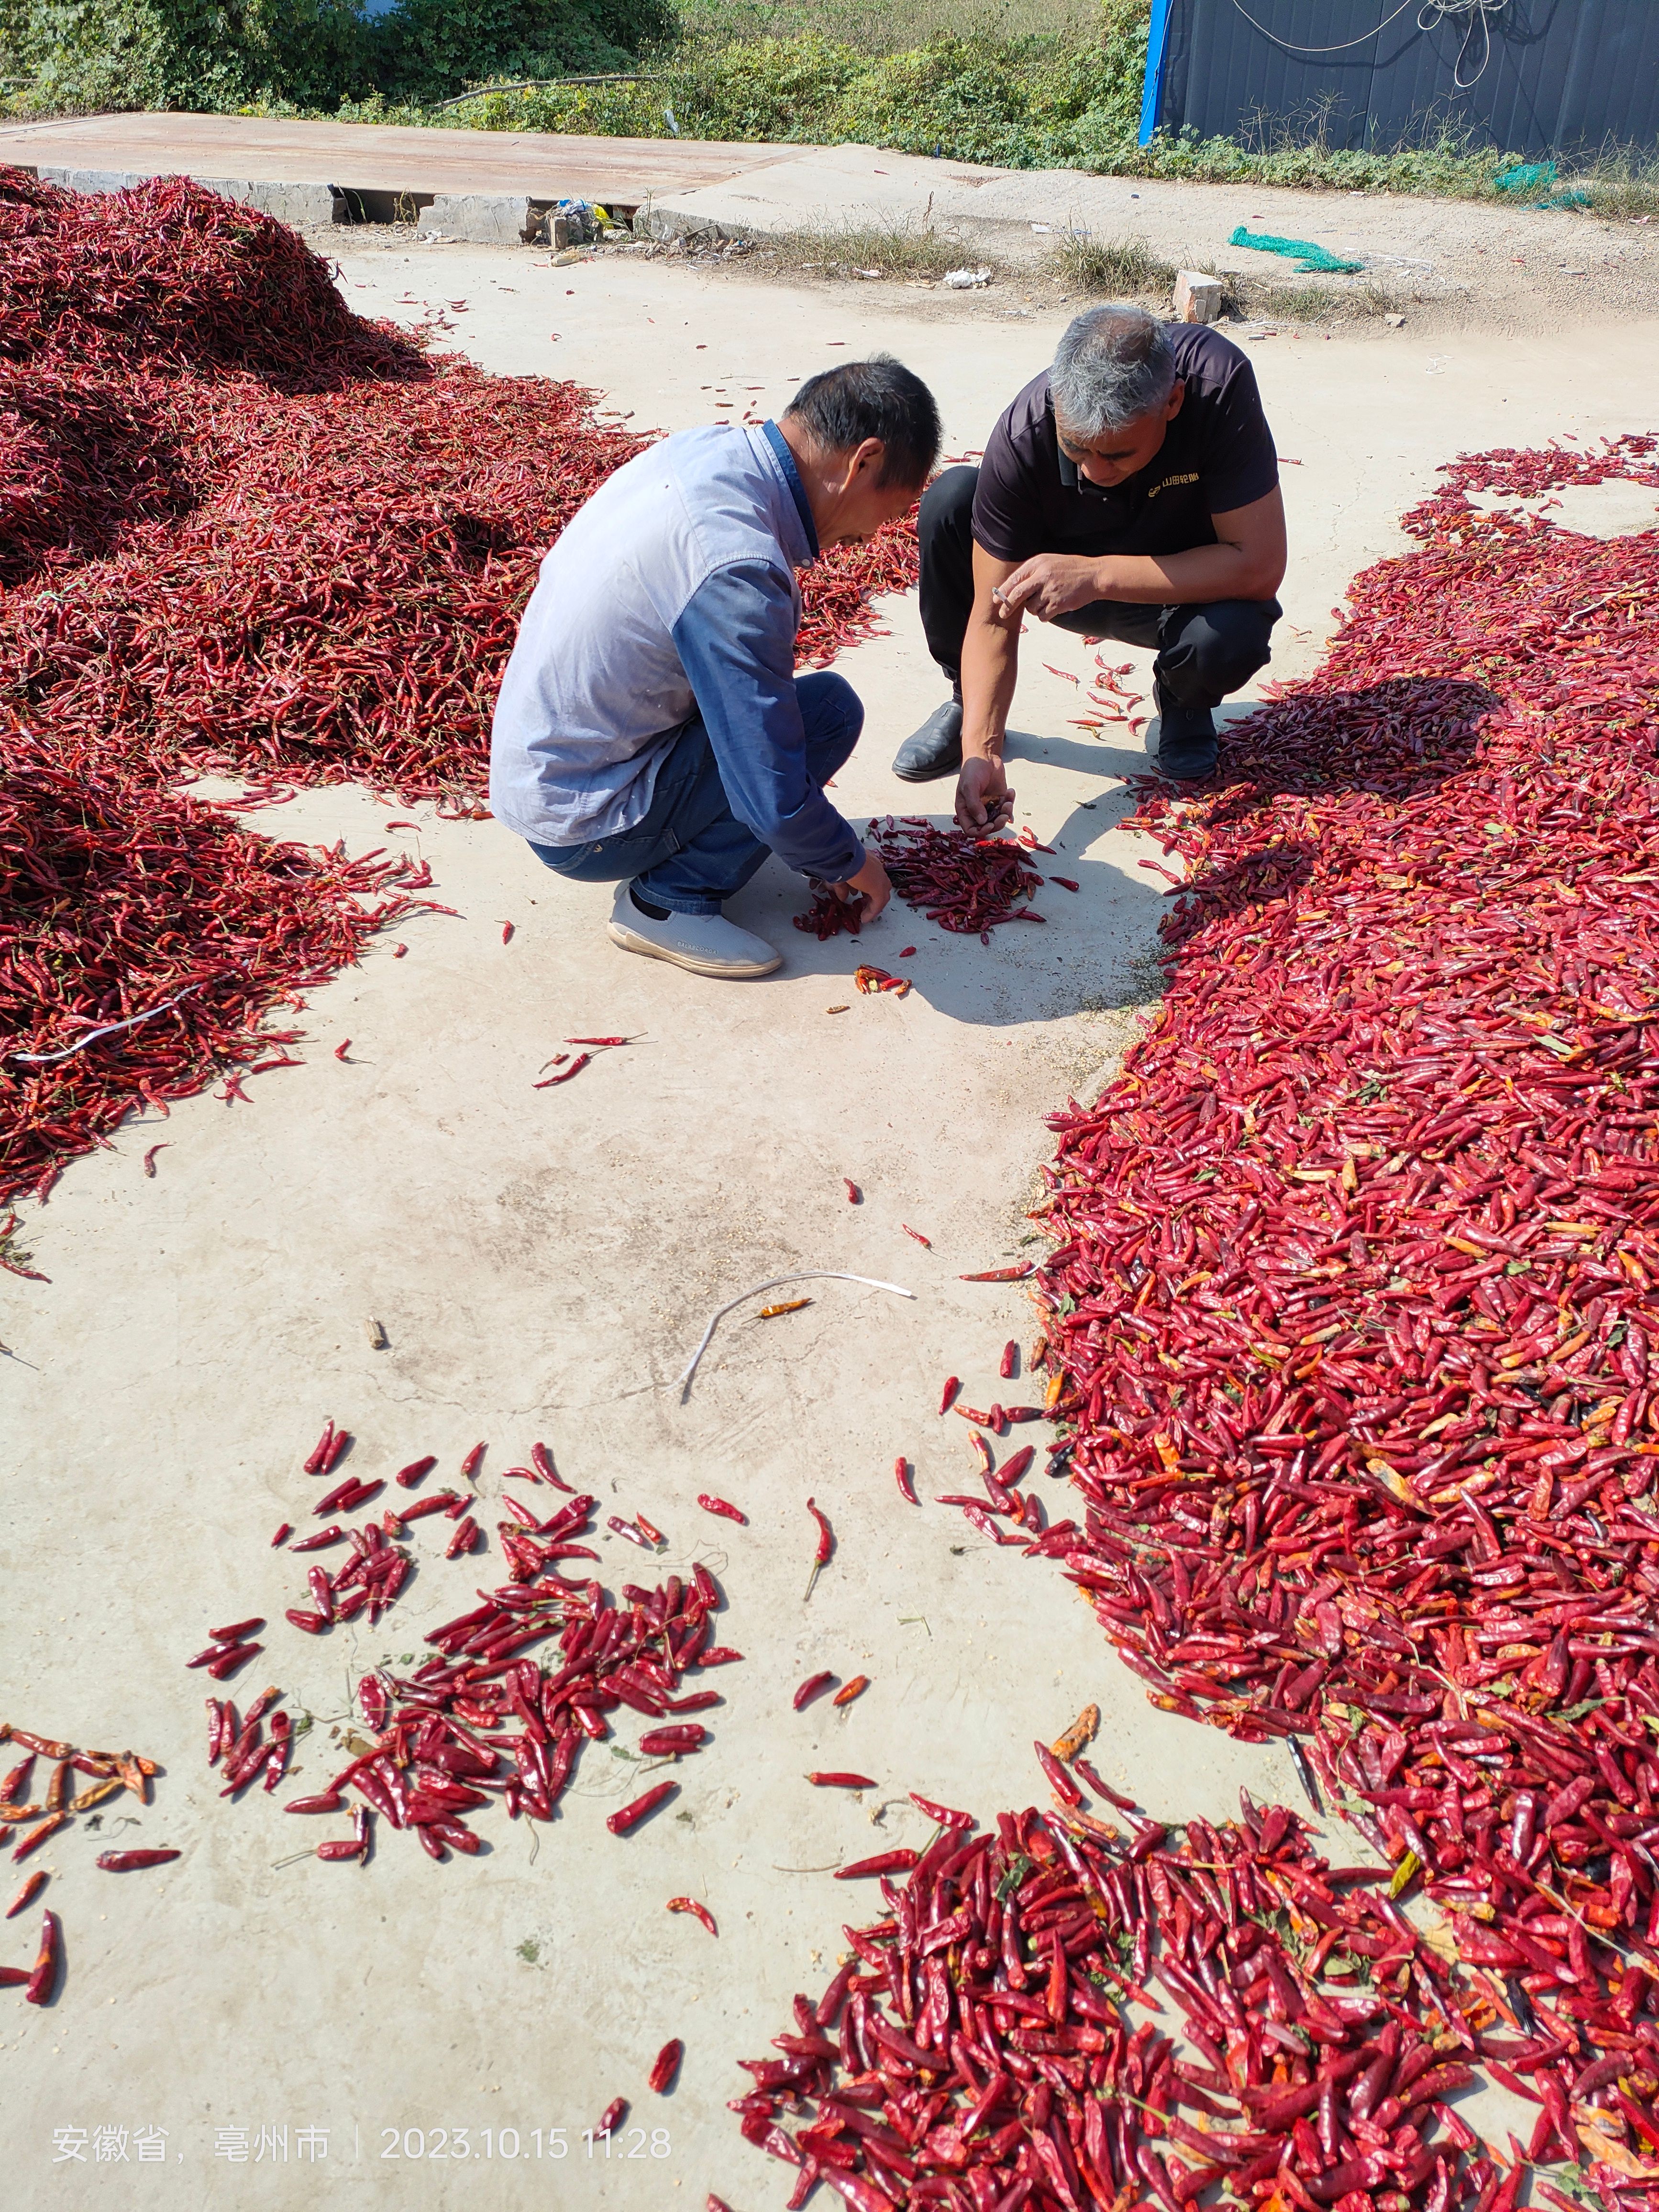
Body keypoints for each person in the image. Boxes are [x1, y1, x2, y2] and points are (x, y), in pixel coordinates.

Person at [490, 356, 942, 979]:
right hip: (582, 820)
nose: (873, 536)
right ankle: (667, 901)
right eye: (889, 512)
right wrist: (846, 861)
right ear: (862, 462)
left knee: (798, 711)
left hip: (545, 769)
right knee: (827, 718)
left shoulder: (709, 454)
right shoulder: (738, 564)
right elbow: (771, 794)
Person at [891, 304, 1286, 825]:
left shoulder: (1218, 385)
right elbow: (993, 616)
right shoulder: (1025, 431)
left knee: (1230, 635)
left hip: (1174, 588)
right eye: (1076, 450)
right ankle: (970, 702)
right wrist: (981, 752)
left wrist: (1096, 575)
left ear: (1172, 402)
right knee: (951, 501)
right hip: (1054, 588)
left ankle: (1184, 697)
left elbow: (1258, 565)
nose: (1097, 471)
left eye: (1119, 455)